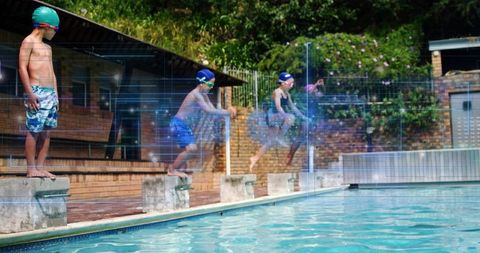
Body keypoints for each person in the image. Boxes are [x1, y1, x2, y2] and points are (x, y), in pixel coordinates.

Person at [169, 69, 236, 177]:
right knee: (191, 149)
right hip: (178, 123)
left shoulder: (204, 95)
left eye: (213, 84)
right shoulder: (196, 95)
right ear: (201, 82)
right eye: (210, 84)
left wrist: (224, 115)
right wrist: (227, 112)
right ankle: (172, 170)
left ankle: (177, 169)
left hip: (184, 125)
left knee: (192, 149)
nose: (211, 86)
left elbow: (213, 111)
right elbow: (208, 110)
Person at [19, 6, 60, 179]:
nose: (55, 33)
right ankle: (31, 169)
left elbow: (52, 73)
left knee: (47, 132)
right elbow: (22, 67)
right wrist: (29, 93)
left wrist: (56, 94)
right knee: (33, 130)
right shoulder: (28, 41)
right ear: (46, 25)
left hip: (50, 94)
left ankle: (41, 167)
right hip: (36, 92)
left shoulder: (48, 48)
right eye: (55, 29)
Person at [249, 72, 308, 171]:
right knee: (290, 118)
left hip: (278, 117)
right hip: (272, 116)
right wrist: (284, 116)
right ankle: (280, 137)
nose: (292, 84)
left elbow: (293, 107)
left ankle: (255, 158)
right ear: (283, 83)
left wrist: (303, 117)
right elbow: (278, 106)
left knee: (271, 141)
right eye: (290, 82)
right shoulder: (277, 92)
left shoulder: (287, 94)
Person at [285, 79, 325, 165]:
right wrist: (316, 84)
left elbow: (322, 95)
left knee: (307, 136)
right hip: (305, 118)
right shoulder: (307, 96)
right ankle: (290, 155)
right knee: (300, 137)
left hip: (312, 118)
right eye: (315, 90)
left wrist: (322, 86)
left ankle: (291, 155)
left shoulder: (314, 96)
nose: (316, 91)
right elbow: (309, 92)